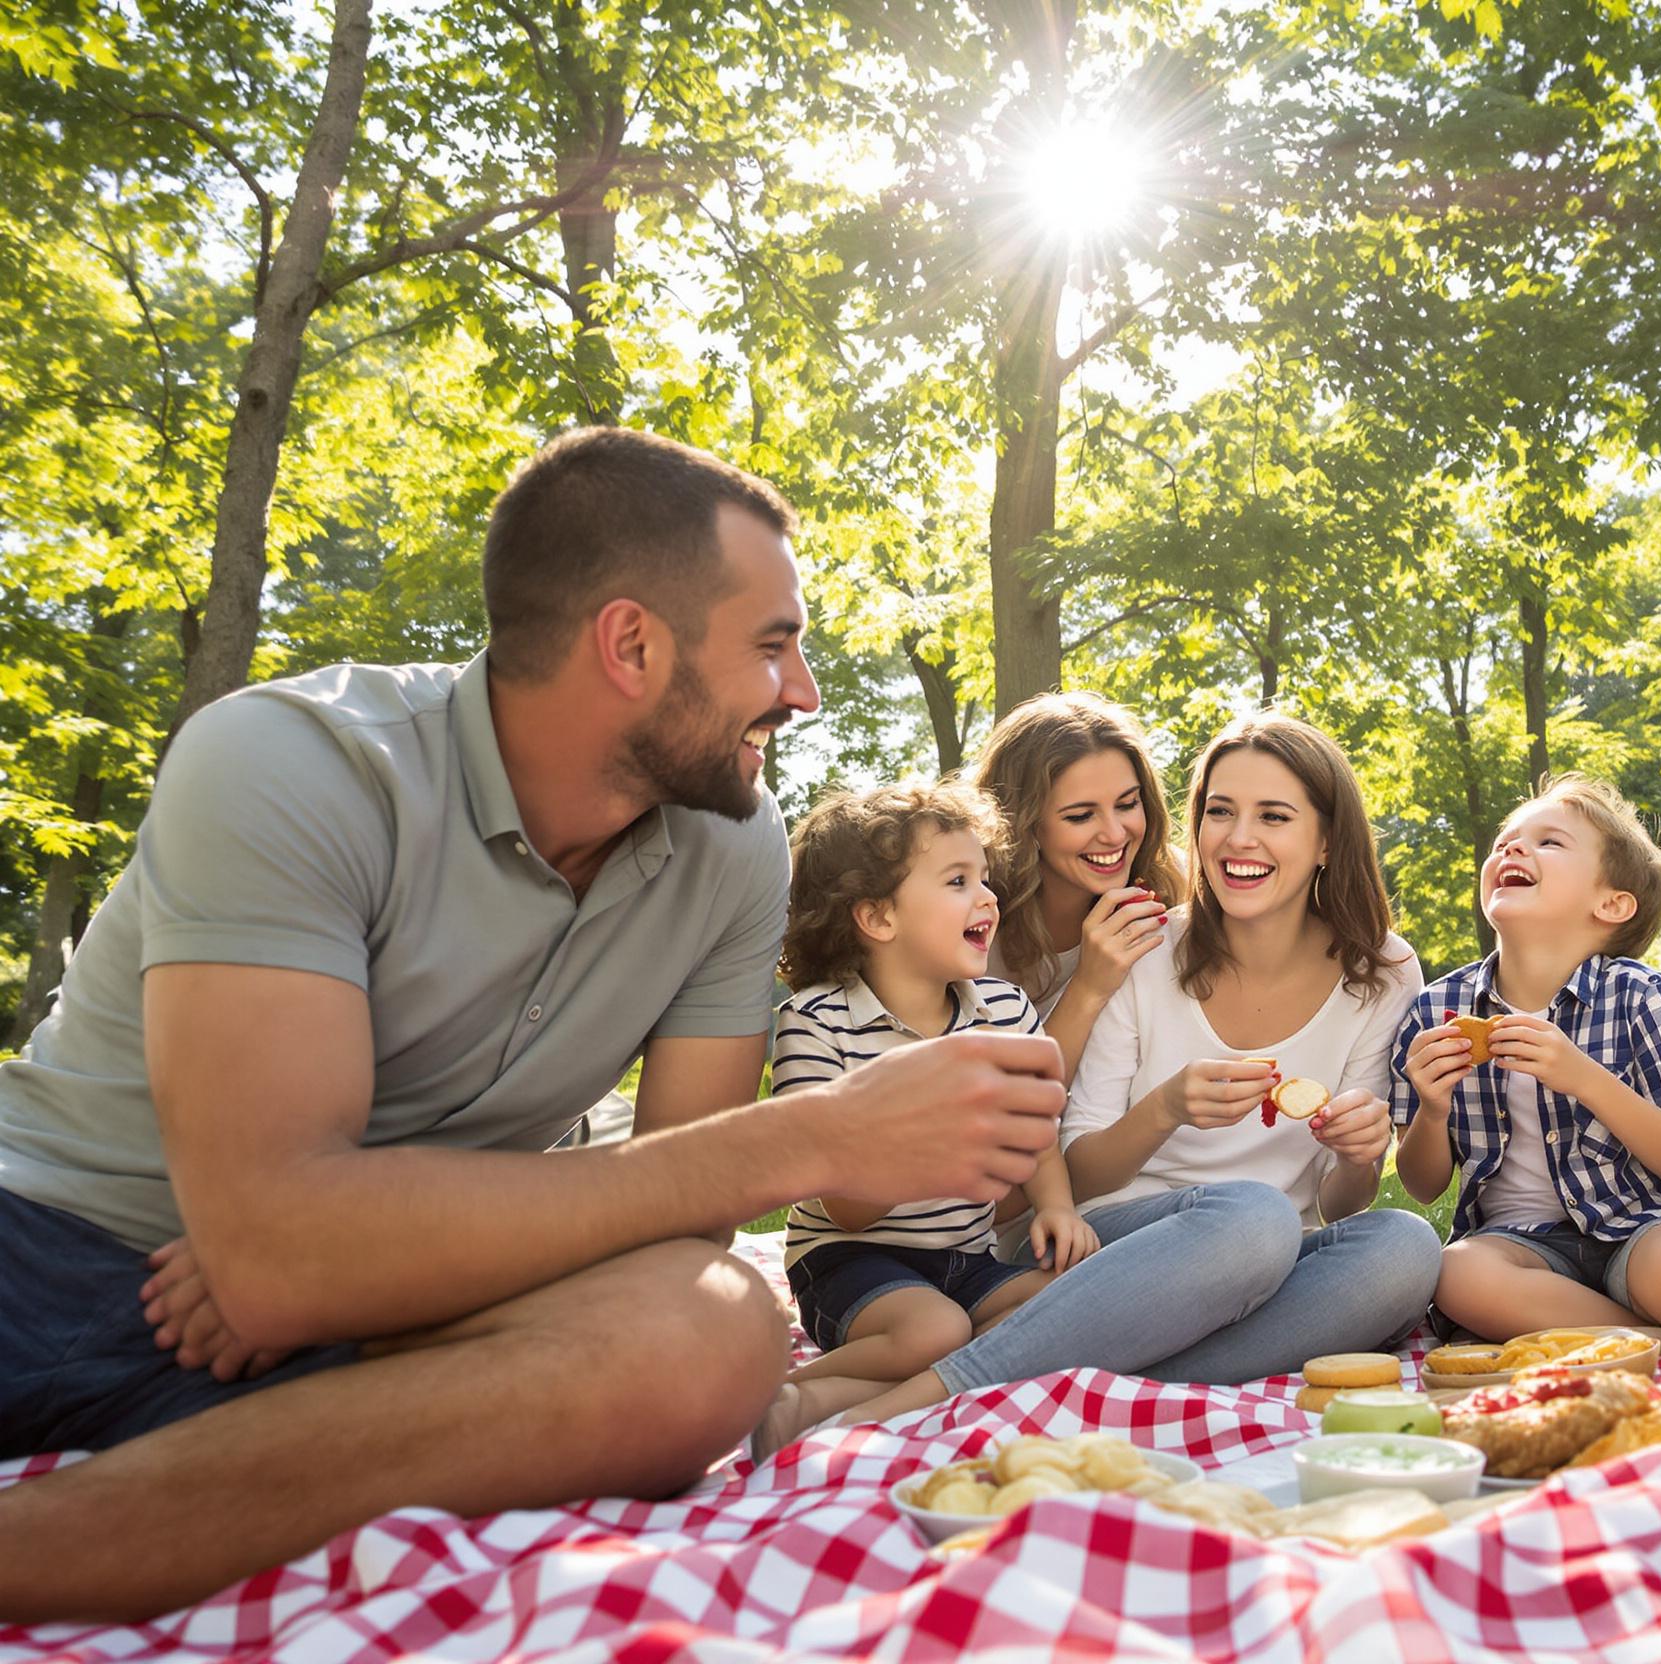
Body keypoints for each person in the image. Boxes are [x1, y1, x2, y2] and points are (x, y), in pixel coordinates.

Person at [0, 429, 1068, 1622]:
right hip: (52, 1244)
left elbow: (680, 1218)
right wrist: (813, 1135)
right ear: (630, 644)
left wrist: (334, 1261)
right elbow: (277, 1247)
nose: (803, 690)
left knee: (715, 1325)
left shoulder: (734, 847)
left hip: (400, 1304)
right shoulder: (290, 761)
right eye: (774, 646)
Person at [818, 712, 1445, 1428]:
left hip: (1268, 1261)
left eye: (1274, 816)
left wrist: (1359, 1154)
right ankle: (939, 1391)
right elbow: (1073, 1167)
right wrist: (1167, 1109)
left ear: (1327, 838)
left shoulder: (1385, 971)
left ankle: (1071, 1372)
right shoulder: (1141, 943)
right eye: (1219, 812)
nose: (1240, 839)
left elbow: (1340, 1205)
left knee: (1406, 1248)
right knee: (1254, 1214)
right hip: (1106, 1241)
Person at [751, 783, 1098, 1450]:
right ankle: (789, 1394)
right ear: (878, 918)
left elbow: (1037, 1130)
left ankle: (883, 1398)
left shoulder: (1004, 1009)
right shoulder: (816, 1024)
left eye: (984, 878)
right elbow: (844, 1206)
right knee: (936, 1330)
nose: (988, 897)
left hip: (962, 1257)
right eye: (958, 880)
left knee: (1067, 1307)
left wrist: (1055, 1206)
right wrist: (933, 1136)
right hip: (848, 1258)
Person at [1392, 774, 1661, 1342]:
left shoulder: (1646, 997)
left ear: (1611, 904)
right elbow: (1423, 1185)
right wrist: (1431, 1110)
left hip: (1645, 1226)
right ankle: (1660, 1343)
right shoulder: (1435, 1010)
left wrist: (1585, 1078)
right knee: (1456, 1274)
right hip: (1518, 1245)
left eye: (1549, 841)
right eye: (1506, 839)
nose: (1511, 847)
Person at [973, 692, 1183, 1074]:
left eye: (1127, 804)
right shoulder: (977, 921)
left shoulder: (1174, 882)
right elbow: (1023, 1096)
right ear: (1025, 824)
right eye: (1081, 816)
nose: (1115, 834)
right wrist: (1089, 986)